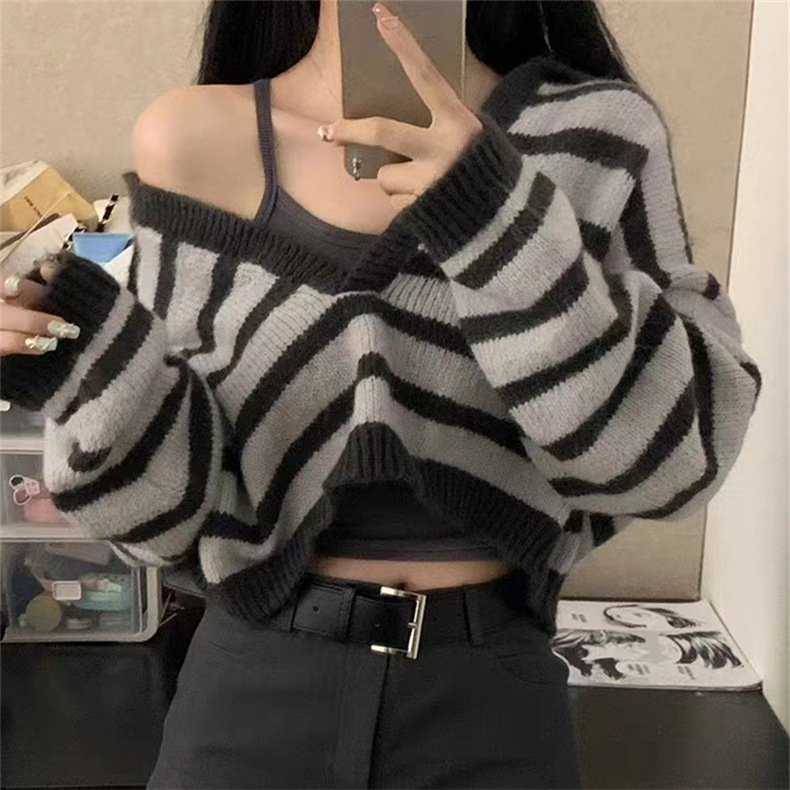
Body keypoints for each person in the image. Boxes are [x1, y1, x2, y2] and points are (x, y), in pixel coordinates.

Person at [0, 1, 762, 788]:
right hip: (247, 699)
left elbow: (678, 465)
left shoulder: (597, 134)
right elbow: (168, 523)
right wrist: (84, 370)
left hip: (491, 702)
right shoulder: (191, 139)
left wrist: (495, 220)